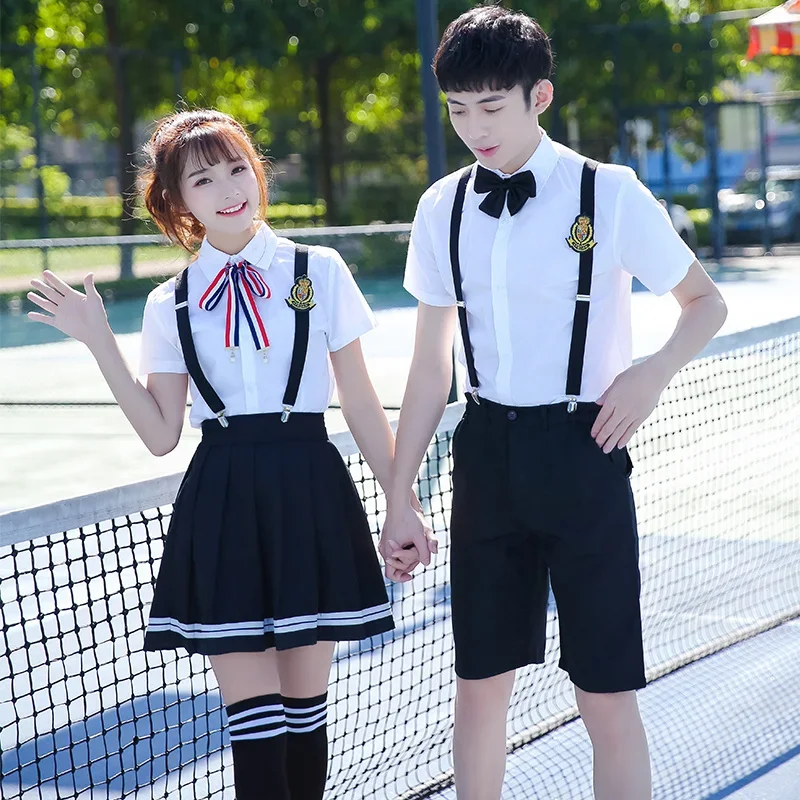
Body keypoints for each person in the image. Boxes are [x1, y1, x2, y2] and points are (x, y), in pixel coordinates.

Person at [379, 7, 728, 800]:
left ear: (540, 96)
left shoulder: (610, 193)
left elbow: (705, 302)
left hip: (586, 453)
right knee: (478, 686)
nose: (474, 127)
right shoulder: (442, 207)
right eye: (458, 110)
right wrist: (399, 498)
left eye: (491, 107)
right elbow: (430, 368)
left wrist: (650, 373)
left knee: (604, 693)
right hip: (487, 457)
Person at [27, 108, 423, 800]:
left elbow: (360, 404)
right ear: (178, 201)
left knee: (304, 717)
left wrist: (402, 504)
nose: (229, 188)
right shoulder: (169, 304)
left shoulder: (318, 270)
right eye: (204, 179)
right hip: (225, 501)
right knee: (256, 726)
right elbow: (160, 434)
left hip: (310, 489)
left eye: (238, 167)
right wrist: (99, 343)